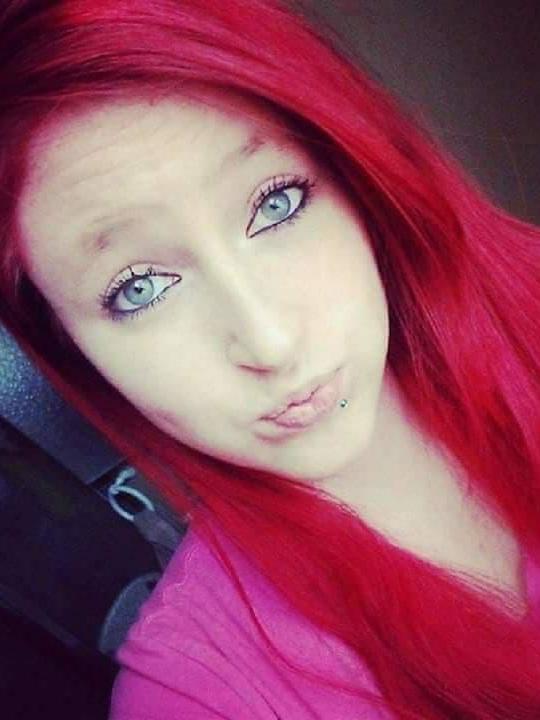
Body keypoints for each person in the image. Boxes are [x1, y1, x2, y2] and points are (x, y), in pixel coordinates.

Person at [1, 0, 540, 717]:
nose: (271, 343)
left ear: (358, 170)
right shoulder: (199, 691)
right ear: (72, 348)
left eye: (278, 203)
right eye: (139, 287)